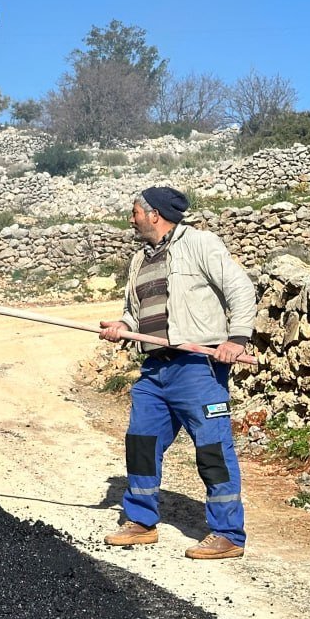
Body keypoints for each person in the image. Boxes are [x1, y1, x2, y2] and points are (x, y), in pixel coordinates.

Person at [98, 186, 256, 560]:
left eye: (135, 212)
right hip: (155, 370)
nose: (131, 219)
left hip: (197, 369)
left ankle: (228, 534)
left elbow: (240, 288)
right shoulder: (139, 260)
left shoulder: (200, 244)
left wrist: (237, 338)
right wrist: (122, 326)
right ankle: (141, 522)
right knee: (141, 442)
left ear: (154, 214)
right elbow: (134, 313)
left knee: (213, 449)